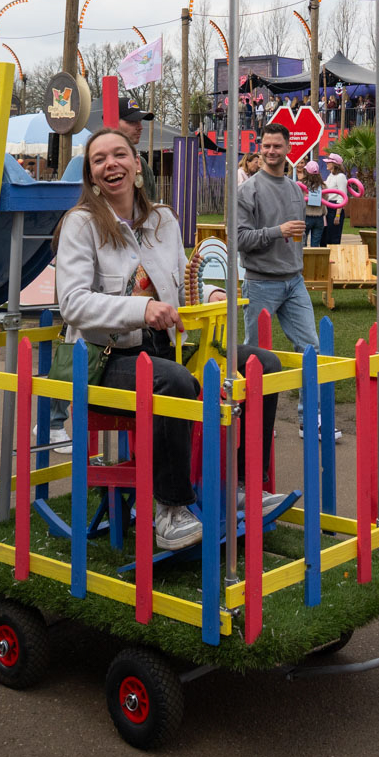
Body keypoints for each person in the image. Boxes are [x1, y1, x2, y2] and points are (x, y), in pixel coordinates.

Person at [54, 129, 282, 552]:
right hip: (106, 358)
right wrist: (141, 310)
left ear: (136, 165)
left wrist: (208, 295)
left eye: (120, 155)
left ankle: (240, 486)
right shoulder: (80, 224)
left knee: (262, 365)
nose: (111, 165)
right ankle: (170, 510)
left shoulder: (163, 219)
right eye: (99, 159)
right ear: (91, 174)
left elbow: (181, 284)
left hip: (168, 348)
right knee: (174, 381)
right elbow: (73, 303)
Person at [236, 123, 319, 353]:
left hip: (294, 281)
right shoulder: (247, 190)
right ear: (260, 148)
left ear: (288, 148)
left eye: (277, 146)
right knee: (256, 353)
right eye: (266, 146)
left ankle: (308, 381)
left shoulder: (295, 189)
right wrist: (278, 231)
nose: (271, 151)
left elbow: (298, 235)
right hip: (260, 283)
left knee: (311, 349)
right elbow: (239, 240)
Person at [113, 101, 159, 199]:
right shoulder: (92, 163)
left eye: (140, 121)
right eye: (131, 121)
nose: (140, 127)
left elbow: (149, 204)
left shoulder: (141, 163)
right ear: (112, 122)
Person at [322, 152, 349, 245]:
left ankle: (334, 254)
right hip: (327, 207)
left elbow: (342, 196)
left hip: (335, 208)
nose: (327, 163)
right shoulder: (330, 176)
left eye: (329, 162)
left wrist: (337, 215)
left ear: (334, 164)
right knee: (325, 236)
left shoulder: (340, 177)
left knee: (333, 237)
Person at [300, 161, 327, 246]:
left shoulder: (302, 185)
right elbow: (326, 200)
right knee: (315, 245)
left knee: (302, 244)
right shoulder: (323, 186)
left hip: (306, 216)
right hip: (319, 217)